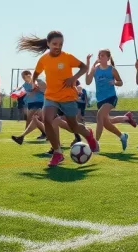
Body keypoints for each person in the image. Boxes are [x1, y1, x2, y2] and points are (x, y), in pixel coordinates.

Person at [17, 31, 99, 167]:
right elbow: (36, 72)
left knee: (73, 127)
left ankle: (88, 134)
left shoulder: (67, 57)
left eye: (60, 44)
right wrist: (34, 81)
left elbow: (84, 67)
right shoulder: (44, 59)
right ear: (48, 44)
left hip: (68, 96)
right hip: (51, 96)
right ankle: (57, 153)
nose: (58, 46)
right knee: (47, 120)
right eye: (54, 44)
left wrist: (73, 78)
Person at [84, 50, 136, 151]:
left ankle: (95, 143)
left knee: (99, 115)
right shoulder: (95, 69)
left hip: (111, 97)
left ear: (108, 58)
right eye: (99, 55)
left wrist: (115, 82)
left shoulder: (112, 70)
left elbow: (120, 82)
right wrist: (89, 65)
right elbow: (87, 81)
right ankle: (122, 136)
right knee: (106, 123)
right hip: (100, 100)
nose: (100, 56)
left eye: (103, 55)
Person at [11, 71, 48, 144]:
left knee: (31, 119)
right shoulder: (24, 85)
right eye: (23, 76)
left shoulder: (38, 81)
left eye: (25, 76)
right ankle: (45, 134)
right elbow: (21, 92)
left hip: (39, 102)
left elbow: (44, 87)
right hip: (31, 103)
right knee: (37, 120)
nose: (24, 78)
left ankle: (22, 137)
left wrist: (35, 84)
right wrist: (15, 93)